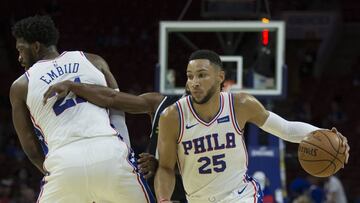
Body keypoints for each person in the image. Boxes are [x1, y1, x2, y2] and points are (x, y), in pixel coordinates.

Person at [153, 50, 350, 203]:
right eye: (190, 76)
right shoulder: (172, 117)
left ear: (220, 77)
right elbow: (165, 168)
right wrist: (163, 199)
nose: (194, 82)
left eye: (202, 75)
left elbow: (287, 129)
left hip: (241, 196)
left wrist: (327, 136)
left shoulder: (240, 104)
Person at [10, 15, 154, 203]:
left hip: (63, 160)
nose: (19, 58)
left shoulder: (20, 86)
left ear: (36, 47)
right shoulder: (94, 61)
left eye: (21, 50)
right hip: (109, 152)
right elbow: (117, 110)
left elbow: (29, 145)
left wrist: (53, 171)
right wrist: (126, 155)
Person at [43, 82, 189, 202]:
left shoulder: (210, 122)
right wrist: (73, 86)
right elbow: (112, 97)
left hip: (192, 193)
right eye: (191, 76)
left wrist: (160, 164)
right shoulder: (162, 104)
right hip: (151, 192)